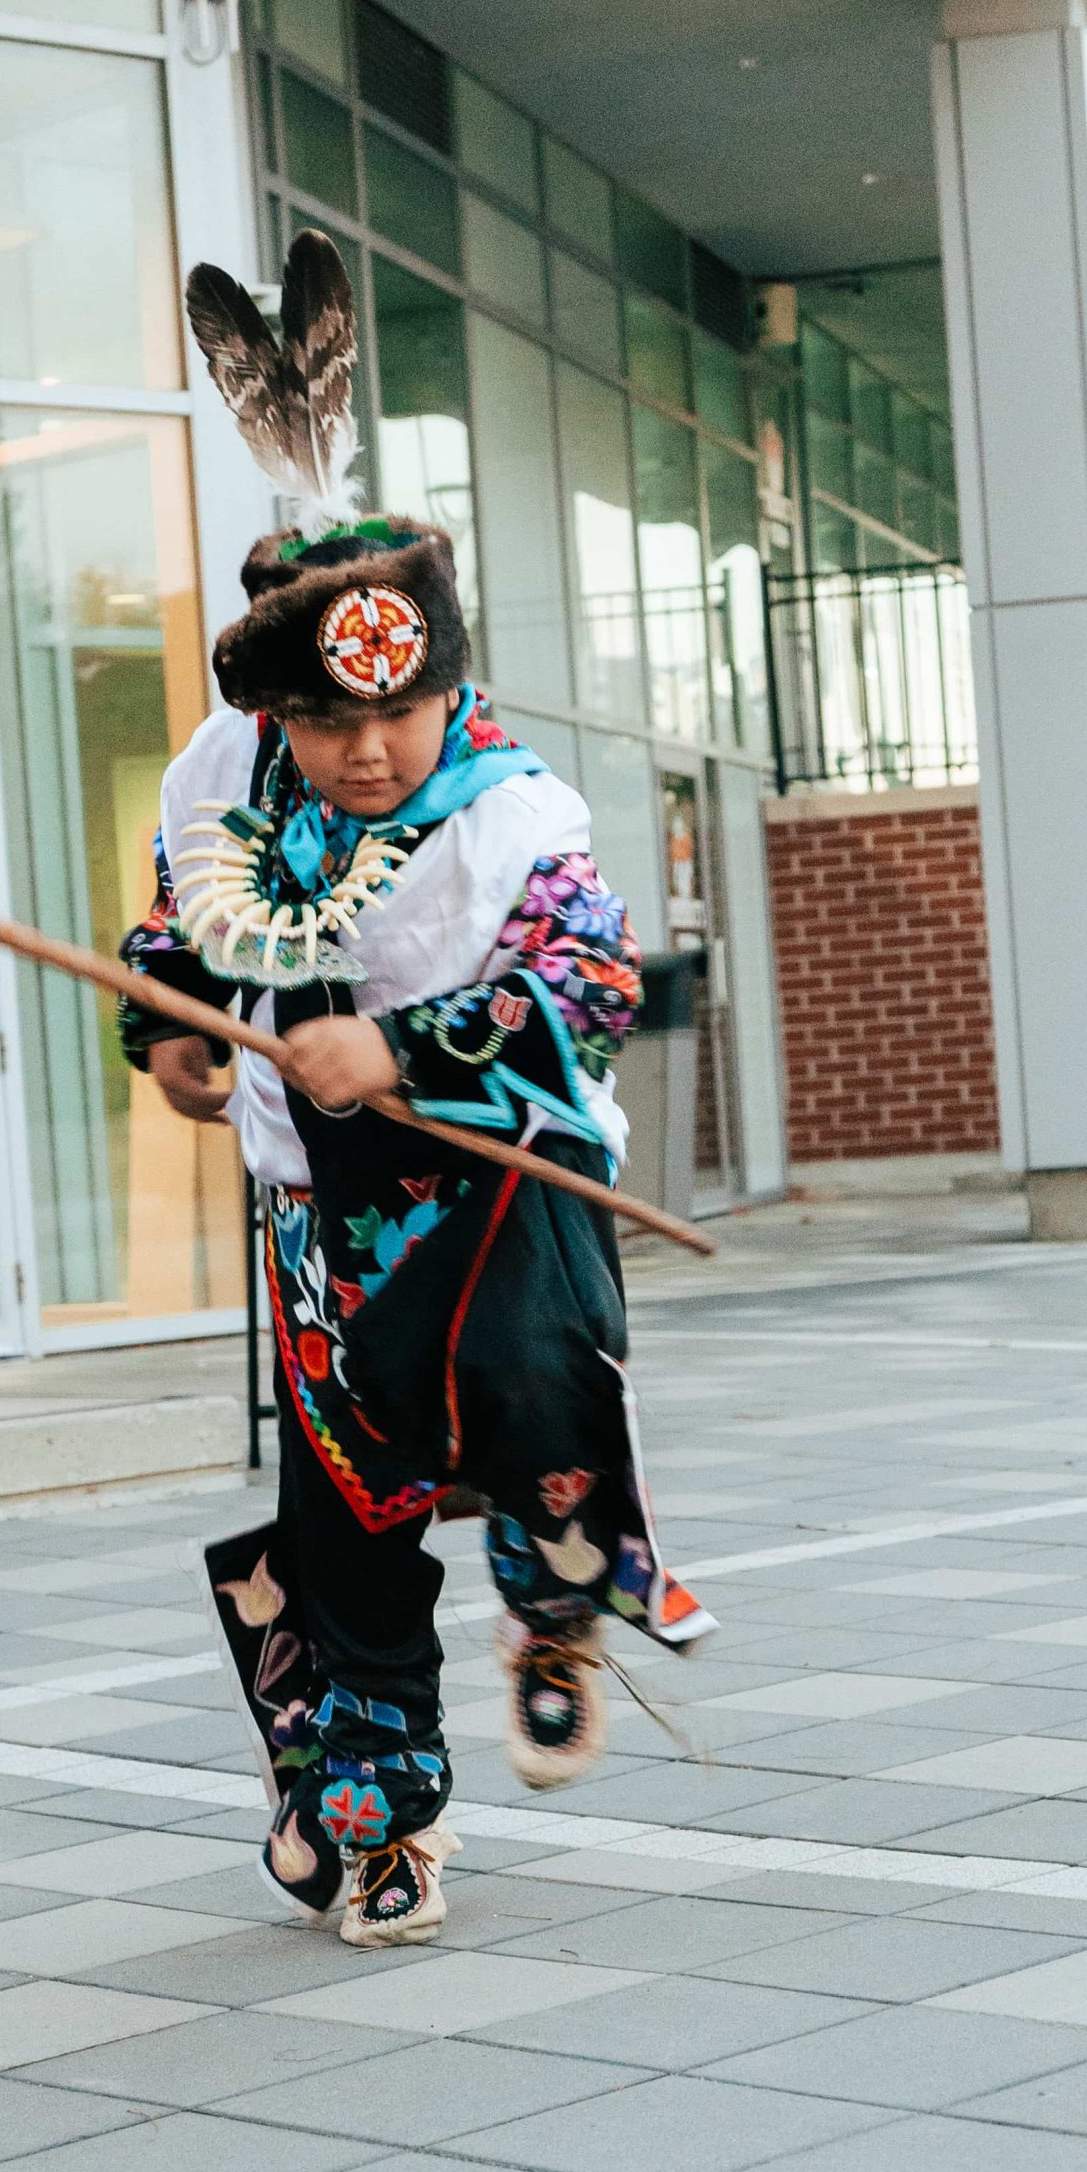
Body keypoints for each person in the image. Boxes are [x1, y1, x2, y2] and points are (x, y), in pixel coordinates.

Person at [118, 229, 711, 1949]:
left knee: (534, 1390)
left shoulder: (512, 810)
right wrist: (168, 1029)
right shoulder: (225, 790)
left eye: (405, 708)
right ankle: (377, 1817)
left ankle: (555, 1603)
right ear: (276, 710)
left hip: (497, 1181)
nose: (369, 750)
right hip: (325, 1213)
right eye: (326, 720)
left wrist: (410, 1041)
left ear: (450, 684)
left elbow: (590, 980)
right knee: (350, 1505)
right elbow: (175, 934)